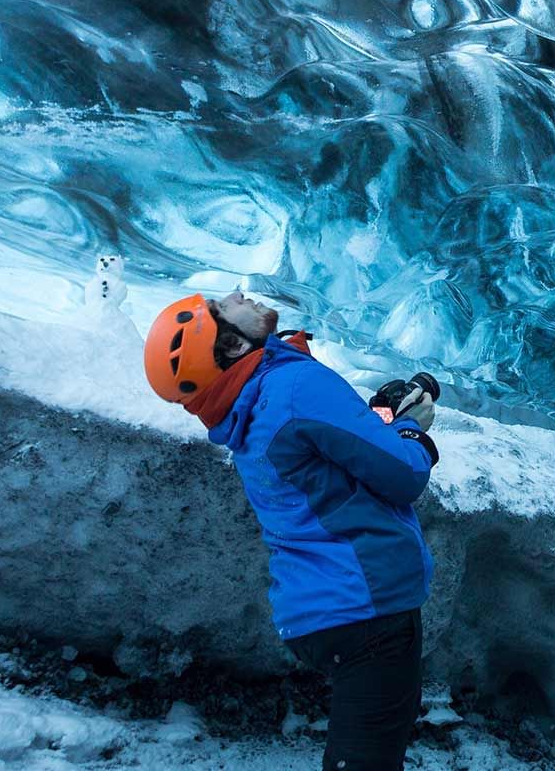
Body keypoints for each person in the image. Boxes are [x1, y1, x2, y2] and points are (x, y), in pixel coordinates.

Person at [142, 290, 440, 771]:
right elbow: (404, 475)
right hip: (368, 608)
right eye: (222, 307)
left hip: (317, 612)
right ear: (234, 345)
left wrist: (375, 419)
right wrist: (411, 431)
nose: (237, 294)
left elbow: (325, 457)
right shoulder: (294, 387)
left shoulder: (252, 409)